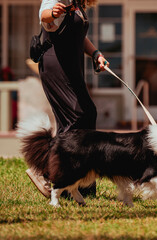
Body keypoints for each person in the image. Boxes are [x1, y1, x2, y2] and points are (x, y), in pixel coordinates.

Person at [26, 0, 109, 198]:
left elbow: (80, 37)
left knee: (87, 114)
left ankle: (80, 184)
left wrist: (95, 53)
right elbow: (44, 16)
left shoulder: (77, 3)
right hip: (56, 64)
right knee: (76, 117)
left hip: (72, 67)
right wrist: (53, 13)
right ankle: (46, 173)